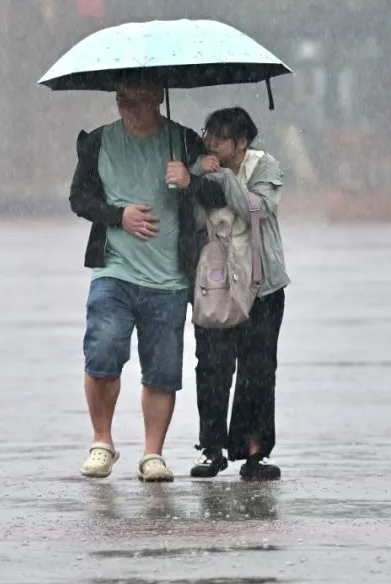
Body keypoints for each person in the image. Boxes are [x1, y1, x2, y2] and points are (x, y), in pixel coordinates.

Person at [69, 81, 211, 482]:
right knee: (103, 350)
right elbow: (79, 199)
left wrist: (190, 180)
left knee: (163, 368)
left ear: (158, 98)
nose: (127, 107)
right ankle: (102, 441)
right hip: (114, 270)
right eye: (120, 99)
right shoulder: (97, 143)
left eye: (136, 99)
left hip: (169, 276)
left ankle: (153, 454)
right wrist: (119, 215)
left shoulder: (184, 142)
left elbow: (216, 194)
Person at [189, 107, 290, 481]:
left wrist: (227, 178)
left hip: (262, 286)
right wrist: (194, 178)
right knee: (212, 367)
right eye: (208, 134)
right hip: (214, 283)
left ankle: (255, 451)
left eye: (221, 137)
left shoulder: (264, 167)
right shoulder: (197, 167)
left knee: (258, 368)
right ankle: (211, 449)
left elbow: (257, 210)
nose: (212, 143)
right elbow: (190, 212)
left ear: (242, 143)